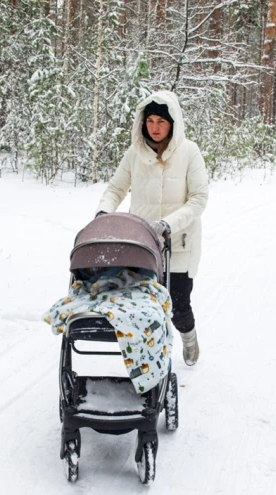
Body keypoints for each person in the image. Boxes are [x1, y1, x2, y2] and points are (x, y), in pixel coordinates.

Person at [95, 90, 208, 366]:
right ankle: (148, 358)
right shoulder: (135, 153)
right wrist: (103, 212)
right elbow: (116, 188)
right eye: (151, 121)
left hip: (180, 245)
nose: (155, 127)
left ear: (173, 124)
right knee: (142, 306)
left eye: (162, 122)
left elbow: (199, 199)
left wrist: (169, 224)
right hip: (142, 244)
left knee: (179, 306)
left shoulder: (189, 152)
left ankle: (189, 336)